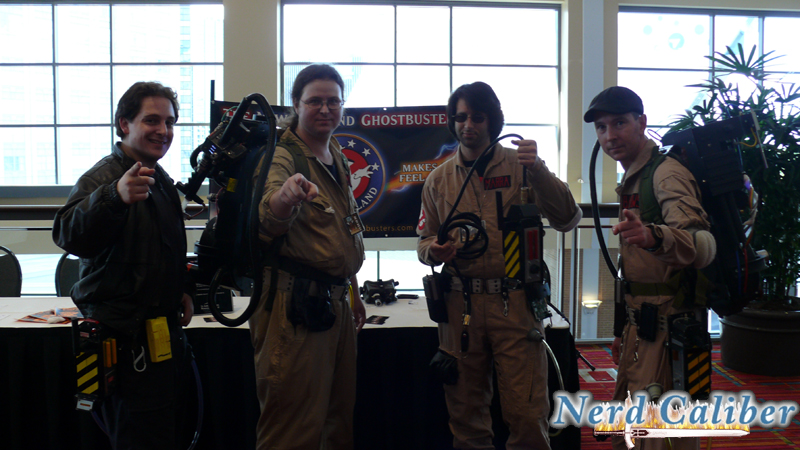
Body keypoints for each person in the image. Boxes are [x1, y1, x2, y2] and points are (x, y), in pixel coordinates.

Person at [417, 81, 582, 450]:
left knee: (527, 411)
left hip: (516, 304)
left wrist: (538, 170)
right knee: (465, 414)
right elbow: (424, 242)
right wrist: (434, 251)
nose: (468, 125)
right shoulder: (438, 180)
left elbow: (568, 218)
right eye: (460, 117)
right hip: (460, 308)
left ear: (493, 120)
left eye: (477, 117)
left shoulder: (522, 167)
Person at [53, 81, 195, 450]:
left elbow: (159, 249)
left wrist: (178, 289)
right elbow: (67, 233)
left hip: (161, 338)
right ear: (124, 124)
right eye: (152, 120)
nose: (163, 131)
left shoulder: (159, 179)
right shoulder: (103, 177)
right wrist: (113, 196)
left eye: (170, 122)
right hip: (125, 342)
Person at [584, 86, 715, 450]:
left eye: (619, 123)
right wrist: (621, 329)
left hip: (668, 325)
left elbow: (702, 245)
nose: (610, 136)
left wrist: (654, 236)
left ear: (641, 123)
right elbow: (635, 272)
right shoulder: (635, 177)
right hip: (640, 326)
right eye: (601, 127)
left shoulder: (665, 175)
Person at [249, 63, 367, 450]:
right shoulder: (282, 157)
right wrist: (287, 197)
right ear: (296, 104)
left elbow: (340, 232)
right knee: (292, 429)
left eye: (333, 101)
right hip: (294, 310)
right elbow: (267, 216)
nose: (325, 109)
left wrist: (352, 292)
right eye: (315, 101)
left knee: (337, 421)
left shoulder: (336, 154)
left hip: (334, 304)